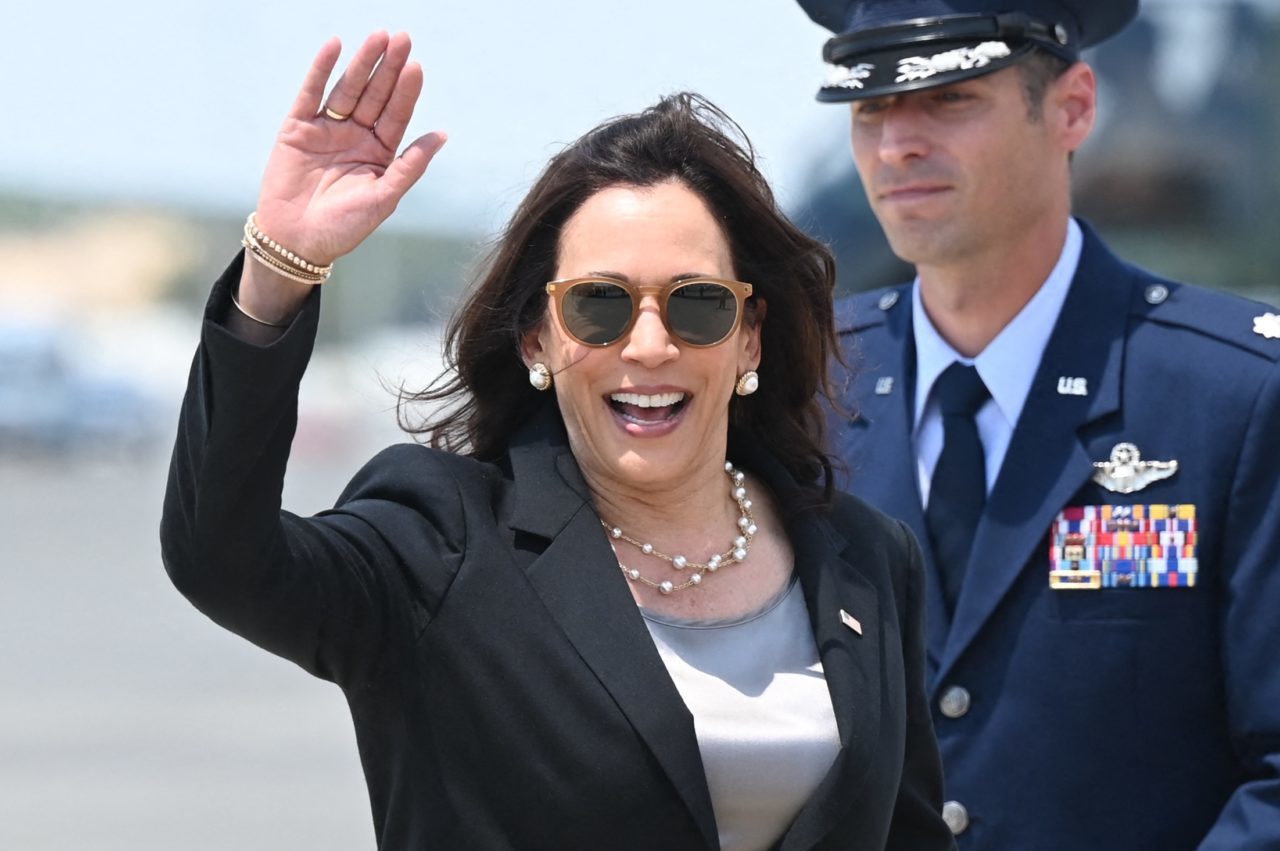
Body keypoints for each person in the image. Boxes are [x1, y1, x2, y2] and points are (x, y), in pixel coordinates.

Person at [159, 31, 957, 851]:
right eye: (600, 306)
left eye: (698, 305)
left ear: (750, 336)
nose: (649, 344)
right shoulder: (444, 543)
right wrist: (279, 274)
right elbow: (221, 558)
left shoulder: (863, 560)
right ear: (538, 338)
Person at [794, 0, 1280, 848]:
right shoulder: (800, 394)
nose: (896, 143)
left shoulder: (1235, 397)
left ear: (1074, 108)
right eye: (869, 107)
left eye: (950, 99)